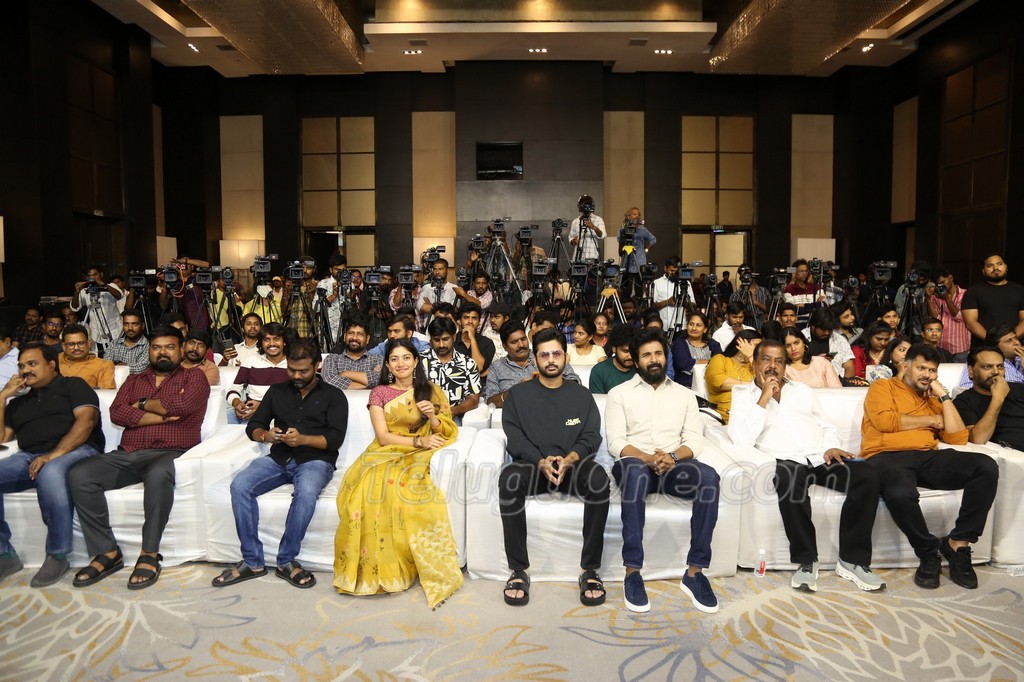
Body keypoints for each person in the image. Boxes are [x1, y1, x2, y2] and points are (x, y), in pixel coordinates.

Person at [729, 340, 884, 592]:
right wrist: (764, 397)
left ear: (785, 366)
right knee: (789, 481)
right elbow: (741, 439)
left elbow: (827, 426)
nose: (773, 366)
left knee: (866, 475)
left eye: (779, 361)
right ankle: (807, 560)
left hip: (819, 457)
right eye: (766, 360)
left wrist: (831, 446)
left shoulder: (802, 390)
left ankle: (852, 560)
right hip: (784, 459)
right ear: (754, 364)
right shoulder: (743, 395)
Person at [69, 325, 210, 589]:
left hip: (171, 452)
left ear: (181, 350)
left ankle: (149, 554)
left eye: (169, 347)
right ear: (149, 351)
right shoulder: (134, 380)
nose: (162, 353)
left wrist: (141, 405)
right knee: (80, 475)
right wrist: (162, 415)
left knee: (158, 476)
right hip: (129, 453)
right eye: (156, 348)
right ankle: (108, 552)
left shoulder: (194, 378)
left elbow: (182, 406)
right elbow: (117, 413)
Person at [333, 338, 461, 607]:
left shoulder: (430, 391)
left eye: (406, 358)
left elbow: (446, 430)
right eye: (394, 359)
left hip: (416, 457)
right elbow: (382, 436)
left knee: (410, 496)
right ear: (388, 365)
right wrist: (419, 441)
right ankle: (379, 573)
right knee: (367, 494)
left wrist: (432, 417)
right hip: (385, 452)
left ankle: (406, 569)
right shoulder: (379, 392)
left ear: (416, 361)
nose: (400, 363)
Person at [860, 342, 999, 590]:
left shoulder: (933, 400)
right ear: (906, 367)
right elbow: (885, 421)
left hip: (926, 457)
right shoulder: (883, 387)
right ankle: (927, 552)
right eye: (921, 368)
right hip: (885, 456)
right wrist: (933, 420)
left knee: (985, 466)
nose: (927, 375)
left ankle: (958, 543)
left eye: (932, 370)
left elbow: (957, 437)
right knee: (899, 493)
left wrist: (944, 397)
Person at [212, 340, 348, 590]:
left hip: (316, 461)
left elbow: (334, 439)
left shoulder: (334, 396)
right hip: (279, 457)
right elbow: (255, 426)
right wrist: (266, 436)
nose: (296, 376)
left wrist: (303, 439)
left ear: (317, 366)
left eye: (303, 371)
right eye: (292, 370)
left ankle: (286, 561)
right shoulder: (276, 391)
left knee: (306, 493)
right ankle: (252, 561)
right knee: (240, 486)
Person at [606, 329, 721, 613]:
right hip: (635, 464)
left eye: (658, 353)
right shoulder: (619, 394)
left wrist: (671, 457)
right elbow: (616, 442)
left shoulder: (685, 395)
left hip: (673, 467)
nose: (654, 359)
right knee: (635, 474)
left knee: (709, 477)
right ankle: (633, 572)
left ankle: (694, 573)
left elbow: (694, 440)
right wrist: (647, 458)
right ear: (636, 361)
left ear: (665, 357)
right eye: (646, 355)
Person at [499, 328, 608, 607]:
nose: (550, 359)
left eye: (556, 354)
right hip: (534, 467)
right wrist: (540, 460)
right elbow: (514, 438)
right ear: (535, 359)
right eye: (544, 354)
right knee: (509, 478)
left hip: (573, 467)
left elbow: (591, 436)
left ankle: (589, 569)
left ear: (565, 357)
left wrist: (571, 458)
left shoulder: (581, 395)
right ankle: (519, 570)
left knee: (598, 479)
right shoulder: (518, 395)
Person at [0, 344, 105, 587]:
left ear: (51, 365)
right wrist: (3, 397)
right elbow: (2, 438)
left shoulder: (73, 385)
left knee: (50, 471)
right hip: (30, 456)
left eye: (32, 364)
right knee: (45, 468)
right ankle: (5, 555)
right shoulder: (19, 403)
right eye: (21, 366)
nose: (25, 370)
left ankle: (58, 555)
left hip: (79, 451)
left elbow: (86, 422)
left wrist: (52, 455)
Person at [483, 321, 580, 408]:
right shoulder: (497, 367)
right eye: (514, 342)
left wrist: (548, 383)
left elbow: (575, 382)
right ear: (505, 346)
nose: (521, 345)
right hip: (518, 414)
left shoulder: (544, 355)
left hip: (554, 407)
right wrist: (515, 392)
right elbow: (490, 401)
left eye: (523, 339)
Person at [954, 346, 1024, 451]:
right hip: (1012, 453)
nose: (996, 372)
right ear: (971, 371)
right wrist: (998, 398)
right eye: (987, 367)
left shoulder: (1019, 388)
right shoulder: (963, 401)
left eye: (1000, 366)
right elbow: (978, 439)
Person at [226, 322, 292, 424]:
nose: (272, 344)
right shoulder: (251, 361)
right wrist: (237, 403)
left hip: (282, 415)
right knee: (229, 415)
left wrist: (262, 407)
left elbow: (296, 398)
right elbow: (234, 389)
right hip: (250, 413)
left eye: (276, 339)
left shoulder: (293, 364)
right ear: (261, 342)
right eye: (267, 340)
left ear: (284, 342)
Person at [421, 317, 482, 424]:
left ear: (454, 337)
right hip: (423, 417)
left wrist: (451, 411)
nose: (441, 345)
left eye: (445, 339)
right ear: (430, 340)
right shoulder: (419, 361)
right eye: (436, 340)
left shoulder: (468, 363)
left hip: (454, 417)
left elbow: (473, 400)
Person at [961, 254, 1024, 347]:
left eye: (999, 264)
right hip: (983, 347)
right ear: (983, 271)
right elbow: (970, 322)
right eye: (990, 265)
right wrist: (992, 342)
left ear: (1006, 267)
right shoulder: (973, 291)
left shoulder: (1020, 290)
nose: (995, 268)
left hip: (1014, 347)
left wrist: (1010, 340)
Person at [705, 330, 762, 424]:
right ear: (741, 344)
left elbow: (763, 383)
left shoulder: (754, 365)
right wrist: (752, 385)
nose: (759, 350)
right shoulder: (720, 359)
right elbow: (720, 382)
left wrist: (751, 357)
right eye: (756, 345)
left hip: (753, 415)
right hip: (725, 414)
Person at [70, 265, 124, 352]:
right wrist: (77, 292)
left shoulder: (110, 286)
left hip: (115, 329)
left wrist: (104, 285)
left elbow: (119, 296)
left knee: (118, 354)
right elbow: (74, 308)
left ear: (101, 275)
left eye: (95, 275)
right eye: (90, 276)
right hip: (97, 332)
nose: (92, 278)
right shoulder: (85, 291)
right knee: (100, 354)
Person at [321, 315, 382, 391]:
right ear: (344, 336)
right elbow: (328, 381)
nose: (354, 338)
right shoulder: (332, 359)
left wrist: (346, 374)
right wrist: (367, 385)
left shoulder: (378, 359)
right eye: (351, 333)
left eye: (360, 334)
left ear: (367, 339)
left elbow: (381, 380)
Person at [957, 324, 1024, 387]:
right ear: (996, 346)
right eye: (1009, 341)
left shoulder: (1020, 359)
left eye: (1016, 338)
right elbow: (965, 387)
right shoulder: (980, 360)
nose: (1017, 343)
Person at [927, 266, 970, 362]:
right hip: (941, 347)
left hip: (960, 348)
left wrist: (947, 299)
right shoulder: (936, 296)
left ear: (950, 278)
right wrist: (928, 299)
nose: (941, 286)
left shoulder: (965, 294)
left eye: (943, 282)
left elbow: (959, 317)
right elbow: (935, 319)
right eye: (938, 284)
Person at [671, 312, 723, 389]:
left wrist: (694, 362)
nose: (694, 328)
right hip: (686, 387)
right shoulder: (679, 344)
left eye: (698, 325)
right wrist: (710, 362)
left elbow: (719, 364)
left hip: (710, 386)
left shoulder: (714, 345)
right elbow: (683, 364)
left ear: (705, 329)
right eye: (691, 324)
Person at [801, 307, 855, 379]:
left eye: (830, 330)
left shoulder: (839, 340)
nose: (827, 333)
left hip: (837, 382)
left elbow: (849, 367)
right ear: (813, 326)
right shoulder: (800, 339)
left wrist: (844, 385)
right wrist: (815, 361)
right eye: (823, 329)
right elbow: (794, 367)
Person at [616, 207, 657, 300]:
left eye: (638, 214)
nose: (637, 216)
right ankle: (625, 304)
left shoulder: (642, 230)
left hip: (639, 261)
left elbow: (653, 240)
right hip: (627, 262)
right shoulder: (622, 229)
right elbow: (619, 239)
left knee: (639, 290)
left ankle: (638, 305)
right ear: (628, 216)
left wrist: (646, 250)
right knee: (626, 289)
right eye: (634, 214)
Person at [58, 324, 115, 390]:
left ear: (89, 343)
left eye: (81, 343)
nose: (76, 348)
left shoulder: (103, 365)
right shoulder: (55, 359)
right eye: (71, 344)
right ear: (63, 346)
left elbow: (106, 393)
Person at [589, 325, 636, 394]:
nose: (630, 356)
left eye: (633, 351)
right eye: (625, 351)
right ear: (614, 349)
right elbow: (598, 400)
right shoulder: (599, 371)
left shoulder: (643, 369)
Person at [653, 258, 696, 333]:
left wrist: (683, 302)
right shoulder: (657, 283)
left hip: (681, 327)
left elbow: (693, 305)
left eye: (676, 271)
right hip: (663, 327)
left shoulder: (686, 283)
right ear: (665, 268)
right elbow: (652, 306)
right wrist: (667, 302)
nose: (674, 273)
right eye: (671, 271)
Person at [455, 303, 495, 374]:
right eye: (466, 317)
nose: (470, 321)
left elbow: (478, 368)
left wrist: (472, 339)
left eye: (474, 318)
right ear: (460, 321)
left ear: (479, 322)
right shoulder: (452, 340)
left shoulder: (487, 343)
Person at [783, 260, 823, 327]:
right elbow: (792, 309)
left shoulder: (816, 287)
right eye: (801, 271)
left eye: (806, 271)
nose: (804, 273)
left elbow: (823, 305)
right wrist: (814, 305)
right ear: (794, 273)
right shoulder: (789, 289)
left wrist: (803, 305)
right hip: (798, 326)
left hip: (816, 325)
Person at [568, 194, 606, 263]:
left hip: (592, 257)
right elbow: (570, 238)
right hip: (578, 258)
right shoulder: (575, 221)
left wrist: (594, 227)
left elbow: (603, 235)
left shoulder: (598, 219)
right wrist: (573, 241)